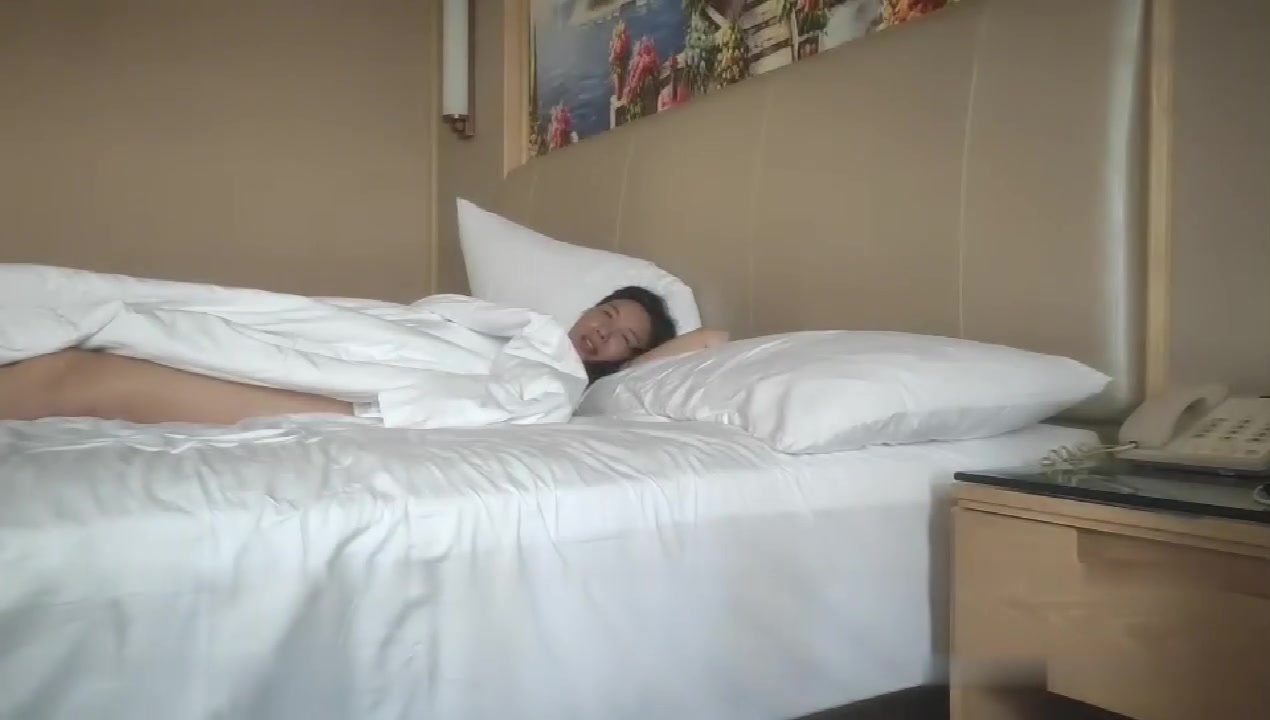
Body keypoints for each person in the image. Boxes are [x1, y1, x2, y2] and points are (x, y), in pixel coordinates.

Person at [0, 285, 727, 426]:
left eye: (624, 339)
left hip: (377, 386)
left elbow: (714, 341)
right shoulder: (522, 327)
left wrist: (640, 364)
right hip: (388, 333)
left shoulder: (560, 382)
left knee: (96, 375)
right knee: (163, 311)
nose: (603, 333)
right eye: (605, 315)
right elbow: (431, 314)